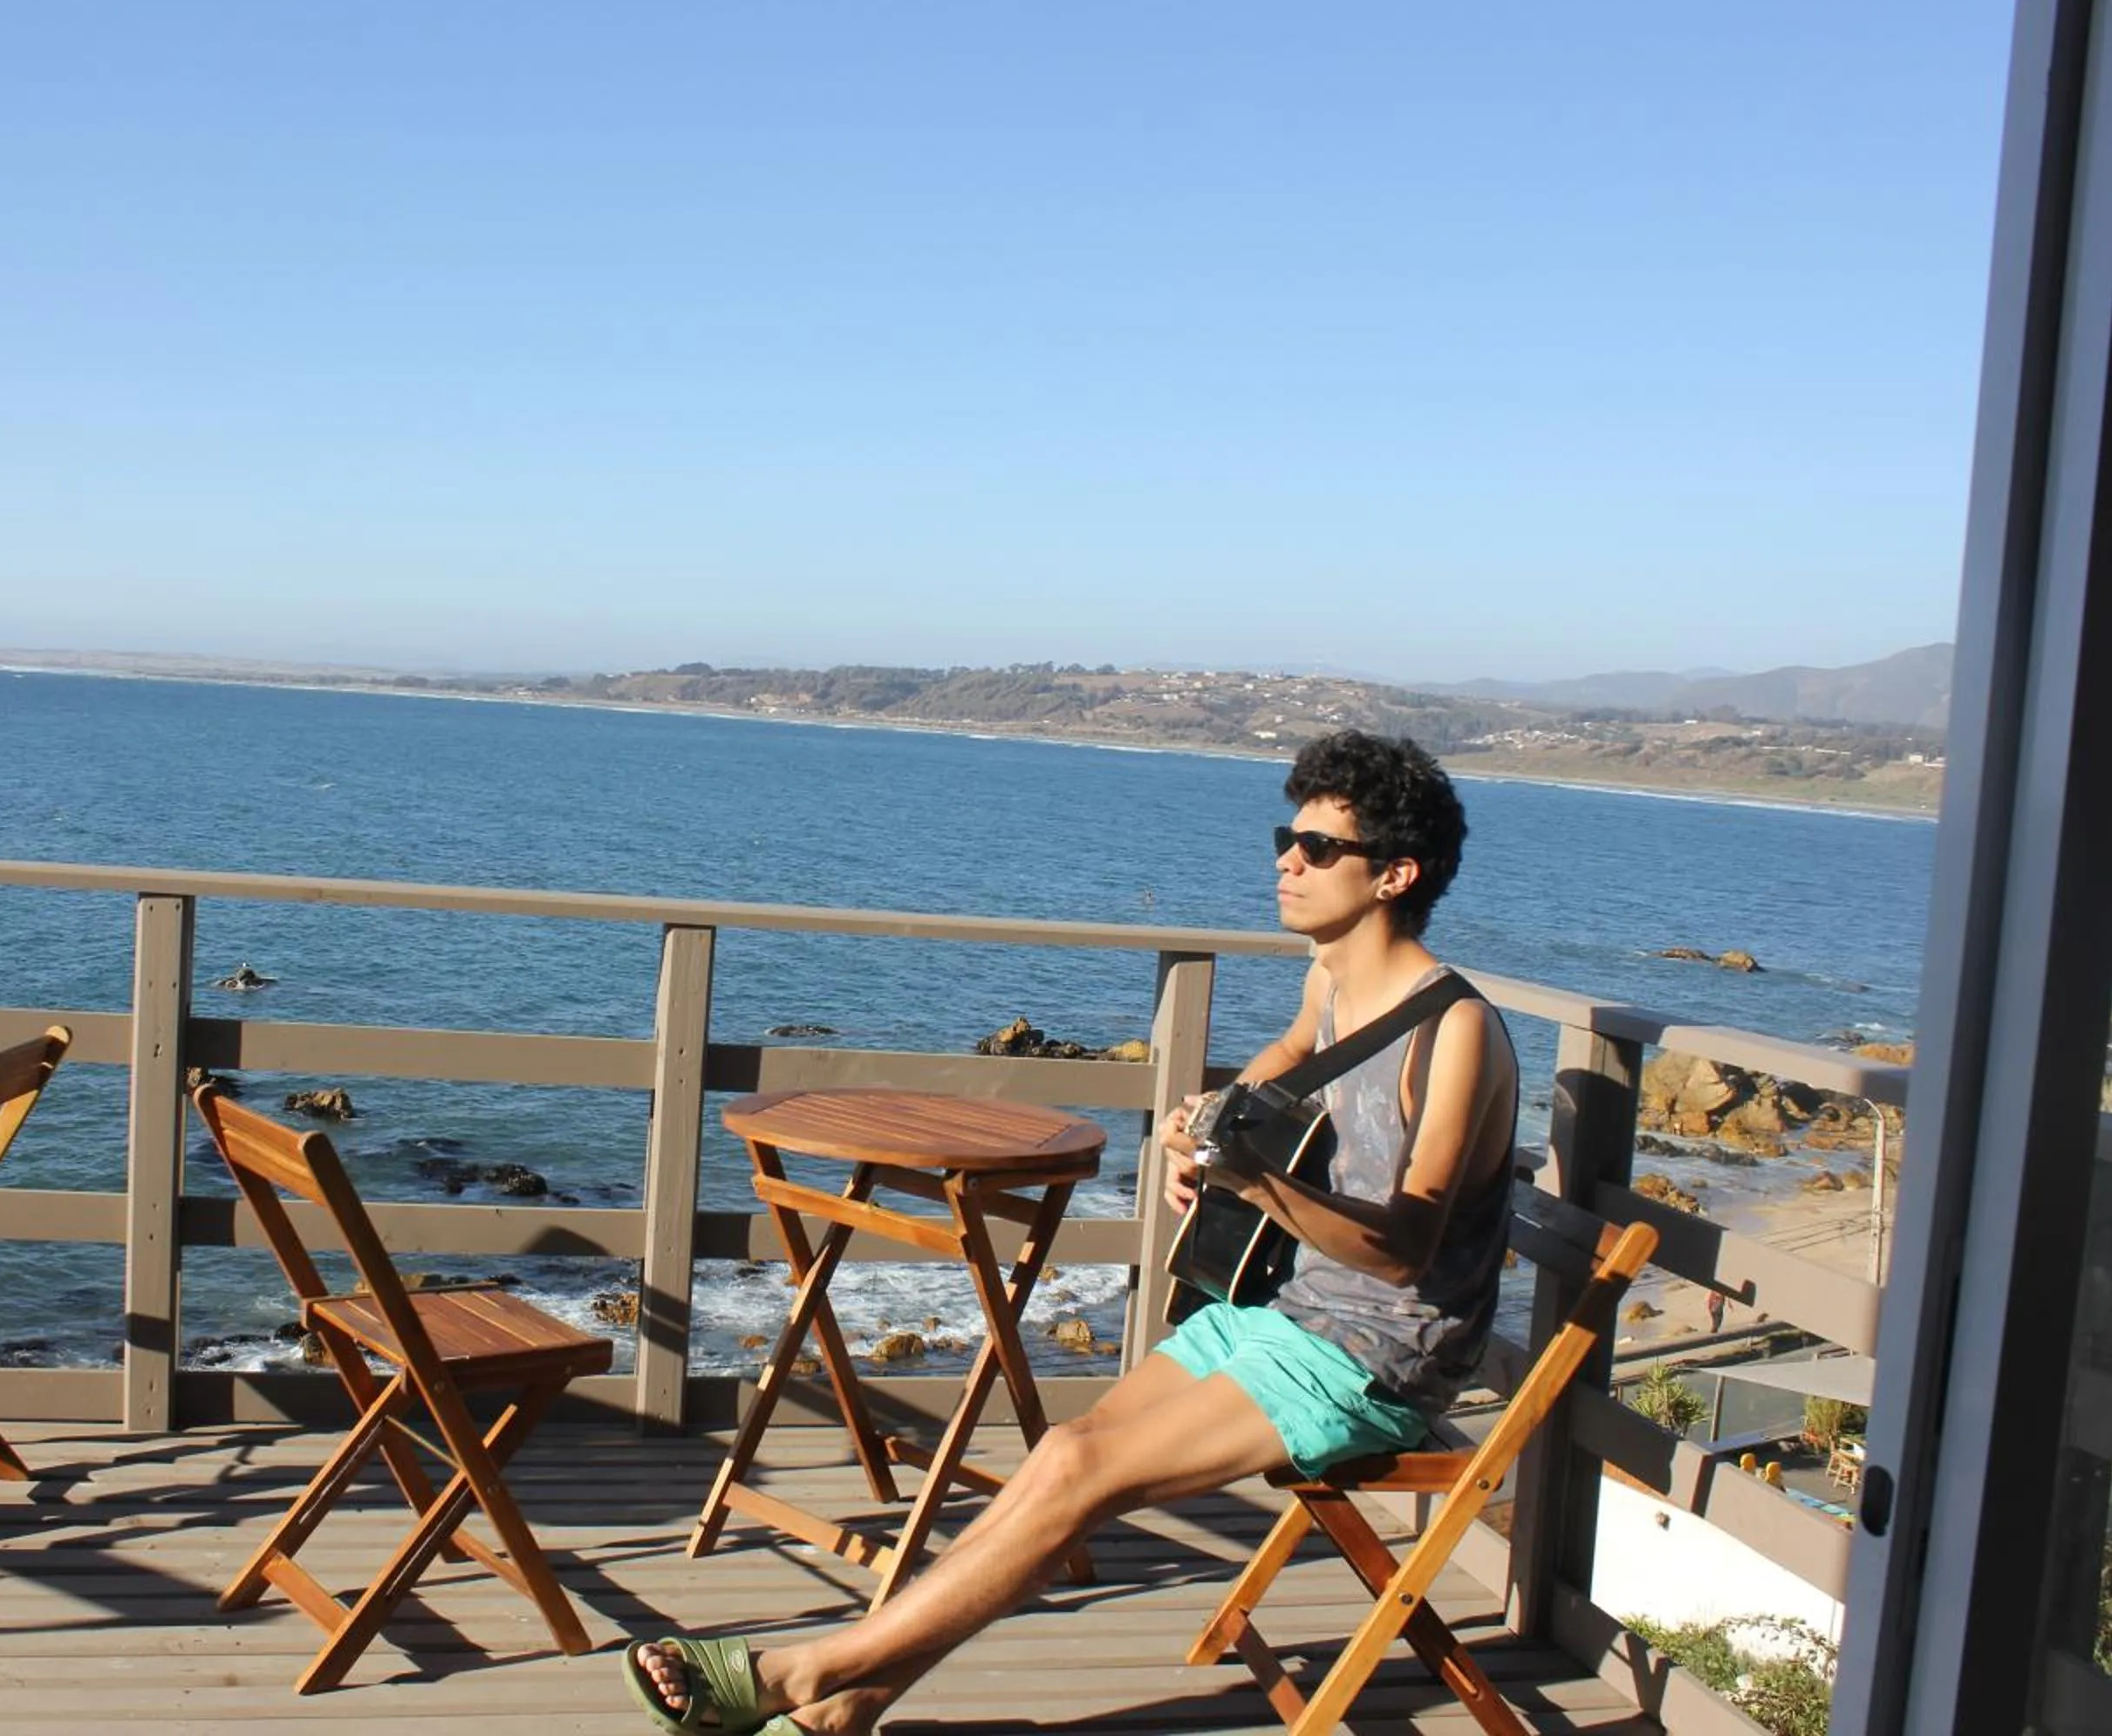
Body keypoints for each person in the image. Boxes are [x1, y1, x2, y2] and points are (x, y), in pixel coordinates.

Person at [622, 730, 1521, 1736]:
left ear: (1396, 873)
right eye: (1288, 837)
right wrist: (1207, 1122)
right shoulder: (1333, 979)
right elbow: (1290, 1054)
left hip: (1373, 1357)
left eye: (1318, 847)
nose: (1287, 861)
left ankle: (796, 1670)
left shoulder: (1457, 1029)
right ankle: (851, 1710)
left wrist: (1257, 1182)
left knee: (1078, 1475)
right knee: (1063, 1451)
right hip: (1284, 1307)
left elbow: (1403, 1249)